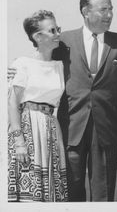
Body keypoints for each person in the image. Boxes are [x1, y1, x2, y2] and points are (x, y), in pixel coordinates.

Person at [52, 0, 117, 201]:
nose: (109, 14)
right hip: (71, 128)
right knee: (71, 192)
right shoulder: (63, 41)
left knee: (103, 193)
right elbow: (41, 61)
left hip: (106, 130)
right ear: (85, 11)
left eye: (111, 9)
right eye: (103, 9)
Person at [8, 10, 68, 202]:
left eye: (58, 28)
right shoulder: (23, 63)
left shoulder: (59, 66)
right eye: (52, 30)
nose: (58, 33)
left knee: (51, 188)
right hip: (28, 128)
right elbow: (12, 103)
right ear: (38, 36)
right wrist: (19, 142)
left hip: (51, 128)